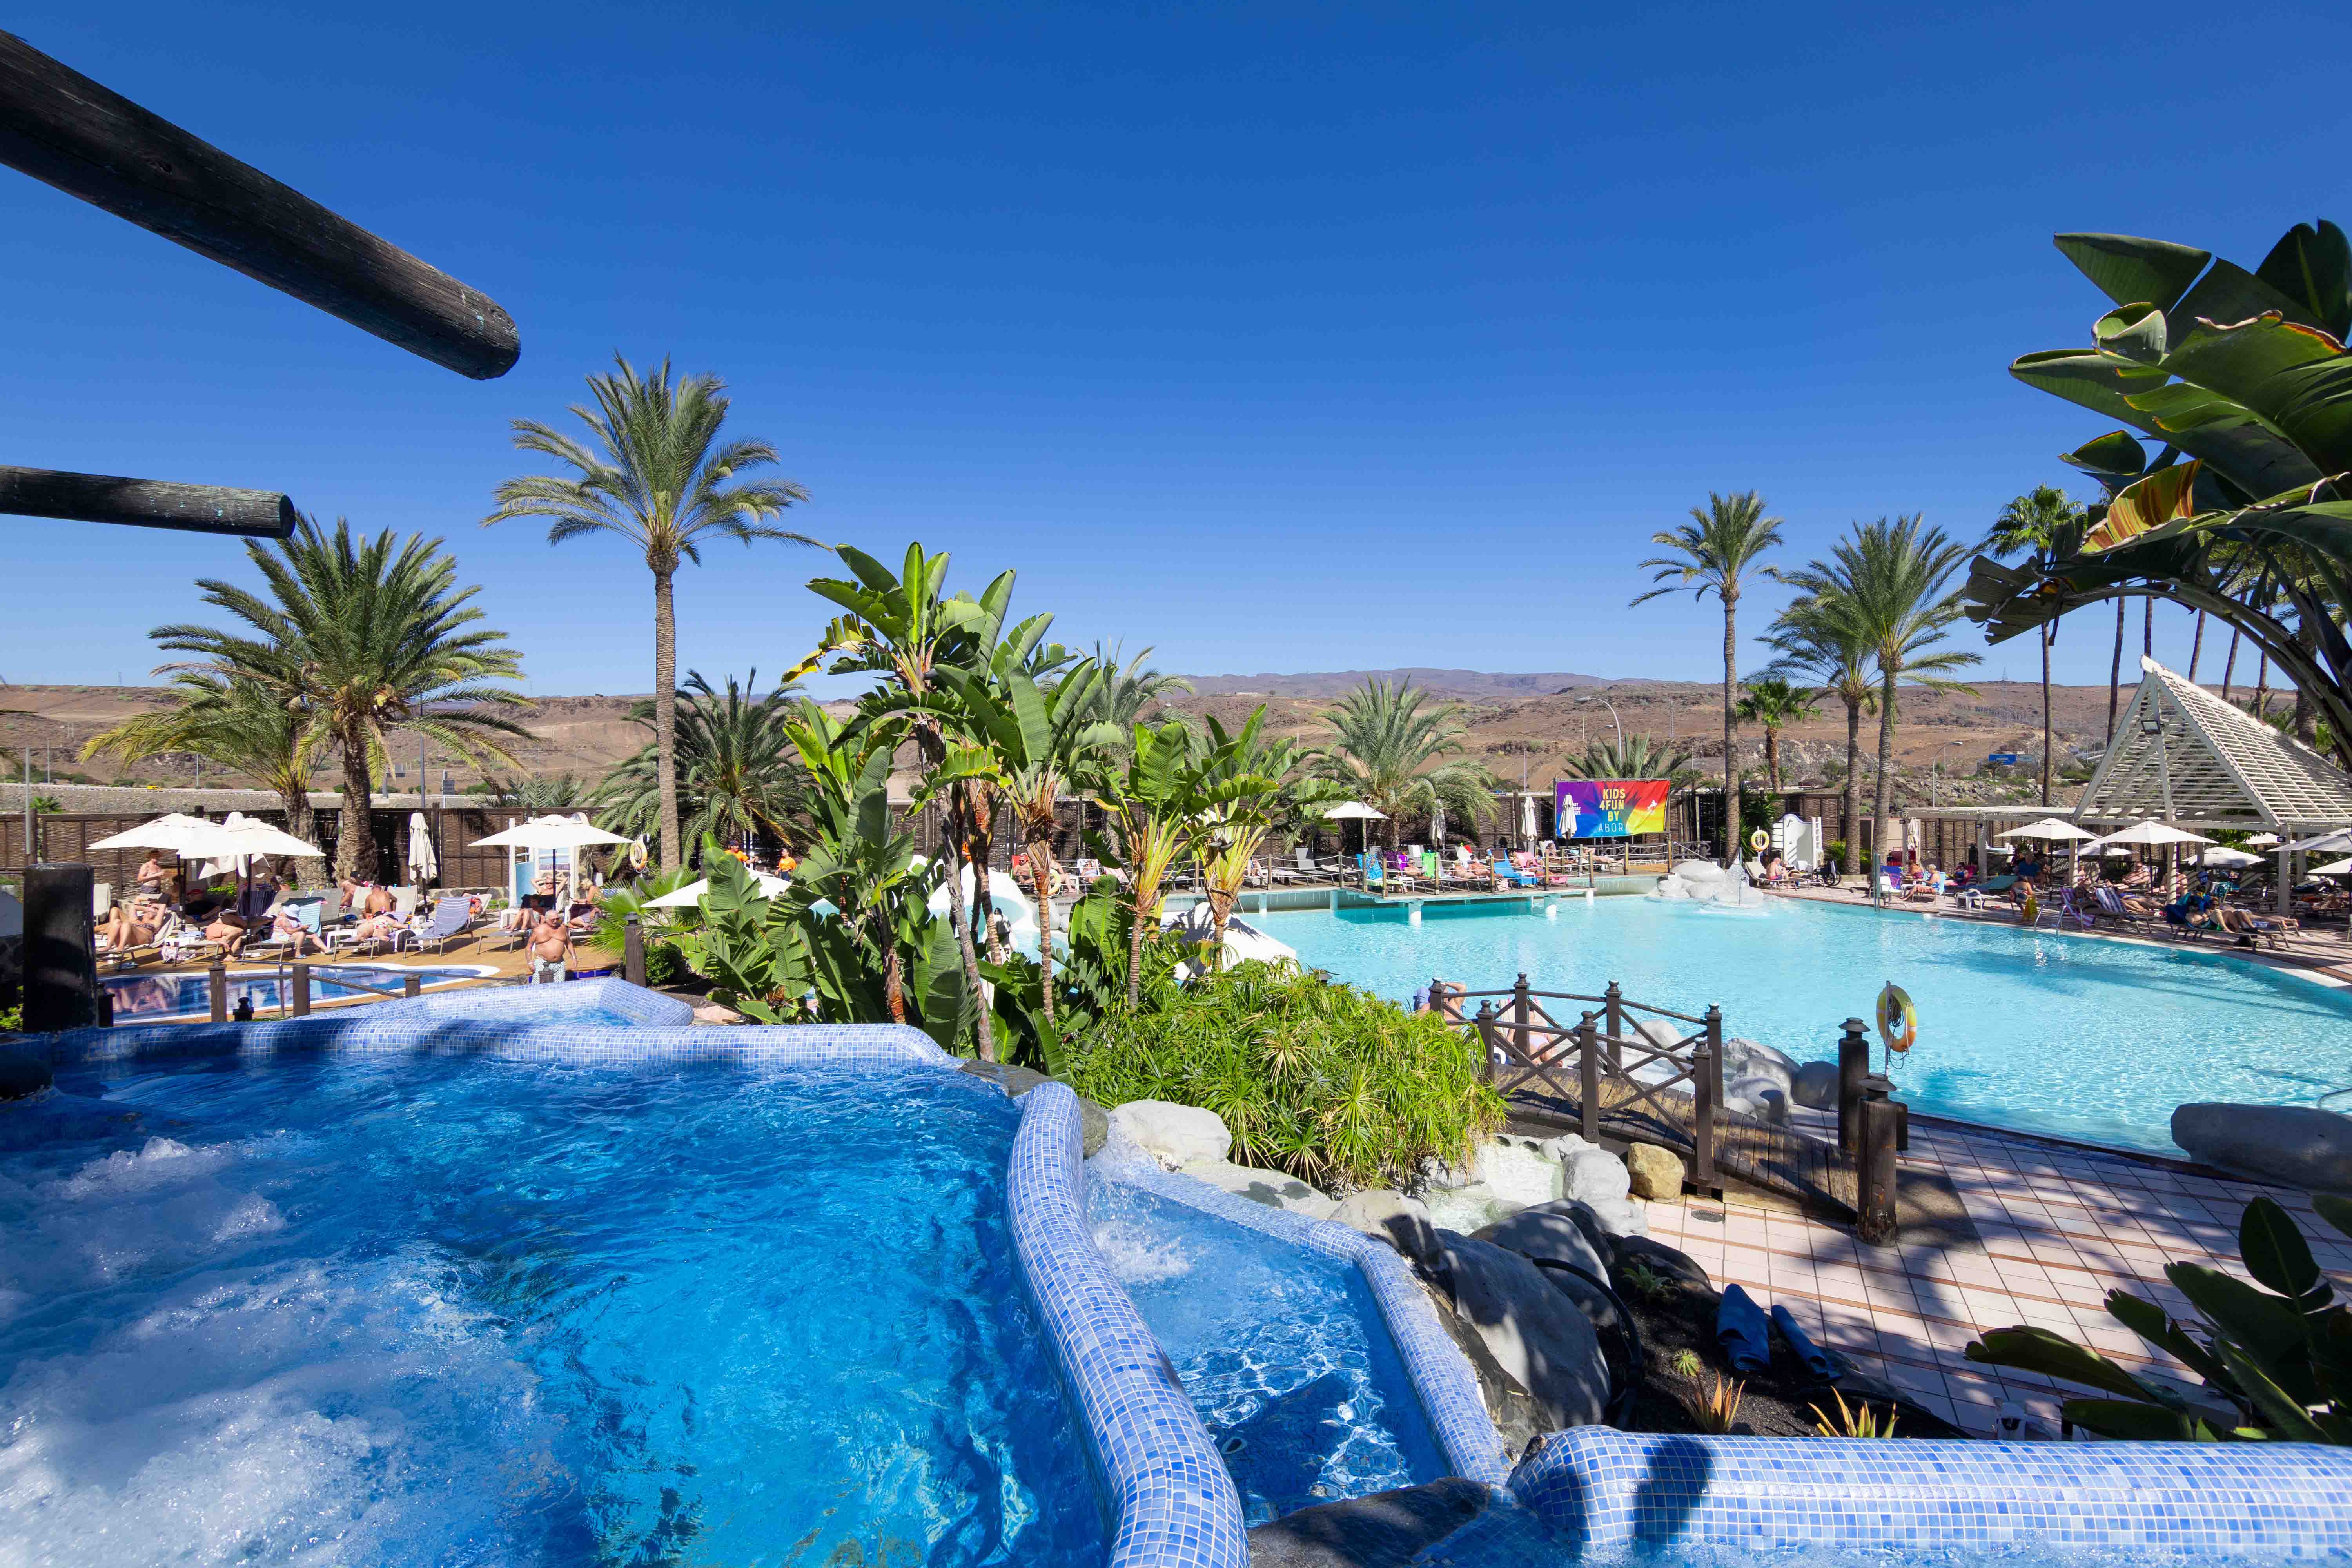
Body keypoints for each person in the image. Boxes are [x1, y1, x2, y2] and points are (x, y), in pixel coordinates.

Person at [529, 907, 573, 984]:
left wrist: (574, 958)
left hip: (559, 963)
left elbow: (569, 944)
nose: (555, 921)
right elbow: (529, 947)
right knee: (538, 987)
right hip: (542, 962)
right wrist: (530, 963)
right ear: (546, 920)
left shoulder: (563, 929)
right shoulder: (538, 931)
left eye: (557, 919)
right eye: (553, 920)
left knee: (559, 987)